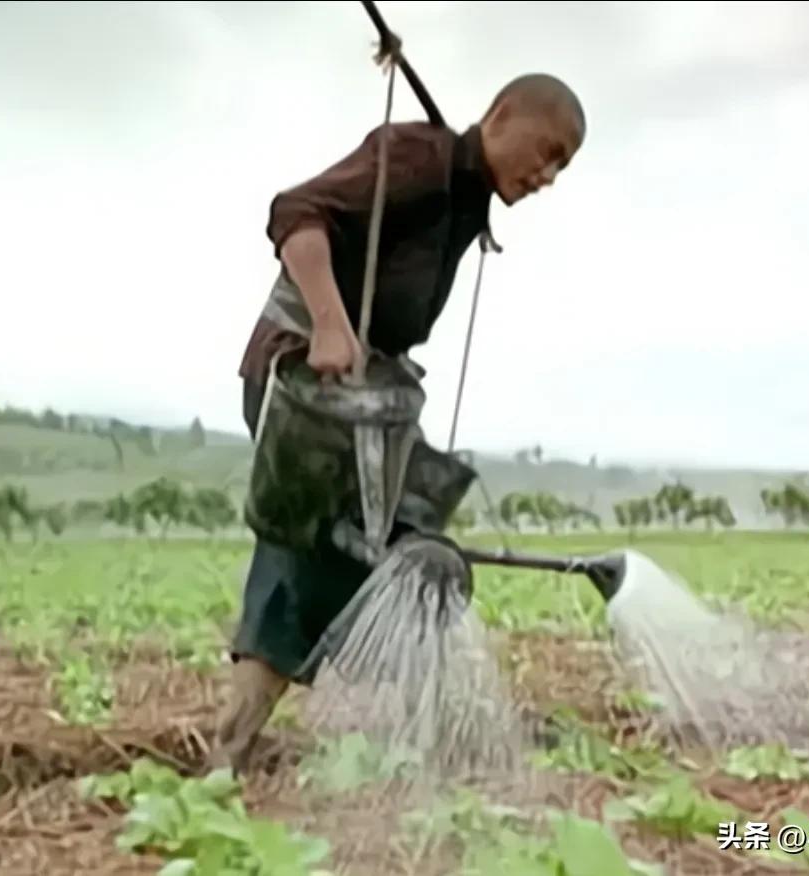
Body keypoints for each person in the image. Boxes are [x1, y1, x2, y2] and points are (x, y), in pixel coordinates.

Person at [210, 73, 587, 774]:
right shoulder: (419, 157)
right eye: (547, 151)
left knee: (407, 544)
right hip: (308, 387)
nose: (547, 175)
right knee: (305, 553)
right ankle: (230, 751)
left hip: (366, 400)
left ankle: (444, 728)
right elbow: (296, 213)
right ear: (501, 116)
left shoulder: (464, 196)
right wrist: (328, 323)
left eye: (561, 166)